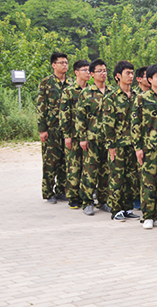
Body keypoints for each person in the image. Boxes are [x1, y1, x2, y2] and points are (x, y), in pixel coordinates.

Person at [131, 64, 157, 229]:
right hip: (149, 147)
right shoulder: (142, 98)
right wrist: (138, 147)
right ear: (150, 79)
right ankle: (148, 216)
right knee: (148, 182)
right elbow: (135, 123)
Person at [103, 60, 140, 221]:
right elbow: (108, 124)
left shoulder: (137, 96)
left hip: (134, 144)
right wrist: (111, 146)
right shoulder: (111, 97)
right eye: (127, 73)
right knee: (117, 177)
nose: (131, 76)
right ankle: (116, 209)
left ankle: (127, 207)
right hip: (118, 144)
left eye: (132, 73)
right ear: (118, 76)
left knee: (132, 177)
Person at [75, 59, 112, 215]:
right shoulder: (86, 93)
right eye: (99, 71)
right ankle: (87, 202)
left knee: (106, 171)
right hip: (92, 138)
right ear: (92, 74)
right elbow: (80, 117)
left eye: (105, 70)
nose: (103, 74)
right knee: (90, 171)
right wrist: (82, 138)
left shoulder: (112, 92)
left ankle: (104, 201)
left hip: (108, 139)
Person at [37, 52, 72, 204]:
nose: (64, 65)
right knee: (50, 162)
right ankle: (48, 192)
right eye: (61, 62)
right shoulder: (46, 83)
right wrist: (42, 129)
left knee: (65, 161)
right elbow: (41, 106)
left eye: (66, 62)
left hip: (66, 130)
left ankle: (61, 190)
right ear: (53, 65)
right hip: (51, 129)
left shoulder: (71, 83)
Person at [60, 59, 89, 209]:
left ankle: (86, 195)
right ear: (76, 72)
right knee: (73, 166)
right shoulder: (69, 91)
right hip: (73, 134)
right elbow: (64, 114)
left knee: (87, 167)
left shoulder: (91, 91)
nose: (88, 73)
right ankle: (73, 197)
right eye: (84, 70)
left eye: (89, 70)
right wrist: (67, 135)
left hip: (88, 135)